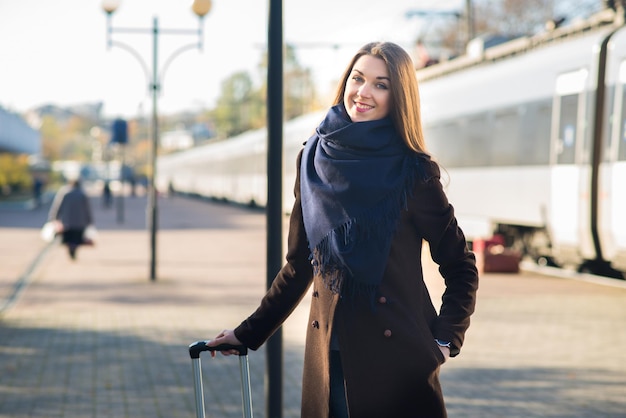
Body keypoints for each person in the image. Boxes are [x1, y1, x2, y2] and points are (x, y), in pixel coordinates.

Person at [207, 41, 479, 418]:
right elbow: (300, 265)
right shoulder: (312, 158)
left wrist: (445, 338)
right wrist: (248, 333)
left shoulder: (412, 172)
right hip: (329, 358)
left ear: (398, 97)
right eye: (358, 78)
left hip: (399, 362)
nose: (364, 92)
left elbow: (460, 265)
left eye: (381, 85)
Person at [48, 177, 94, 260]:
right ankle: (74, 251)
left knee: (69, 239)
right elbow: (87, 209)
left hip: (67, 222)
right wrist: (89, 220)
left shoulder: (64, 193)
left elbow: (57, 206)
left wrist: (54, 217)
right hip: (80, 222)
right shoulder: (82, 194)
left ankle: (71, 251)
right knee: (77, 239)